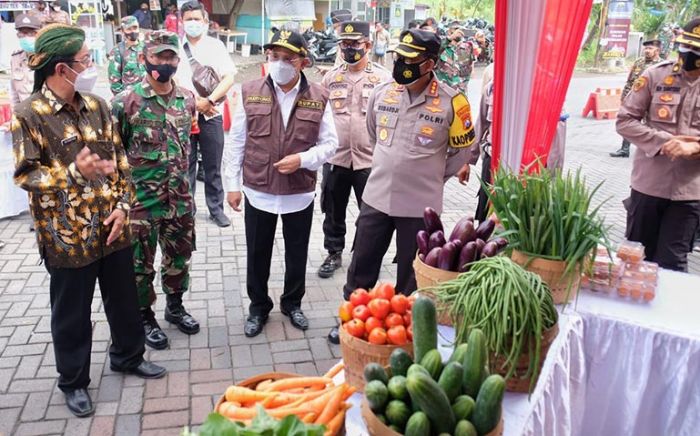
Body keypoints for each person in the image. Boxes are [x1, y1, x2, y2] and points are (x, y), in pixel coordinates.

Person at [11, 24, 165, 418]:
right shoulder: (30, 114)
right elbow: (26, 175)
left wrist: (123, 207)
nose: (91, 65)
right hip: (66, 236)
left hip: (111, 223)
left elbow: (121, 162)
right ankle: (74, 381)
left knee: (124, 299)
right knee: (72, 313)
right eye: (85, 60)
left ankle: (128, 356)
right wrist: (73, 174)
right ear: (62, 69)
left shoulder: (97, 105)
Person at [340, 29, 475, 310]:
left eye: (409, 59)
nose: (401, 63)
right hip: (377, 196)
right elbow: (373, 134)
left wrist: (431, 173)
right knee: (362, 262)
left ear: (430, 64)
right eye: (399, 57)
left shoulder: (453, 102)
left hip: (419, 204)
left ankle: (405, 324)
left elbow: (460, 152)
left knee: (412, 272)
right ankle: (353, 313)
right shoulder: (382, 93)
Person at [223, 30, 338, 337]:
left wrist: (303, 159)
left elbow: (331, 145)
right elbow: (236, 141)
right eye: (274, 56)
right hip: (258, 189)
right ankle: (258, 307)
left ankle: (292, 303)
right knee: (257, 252)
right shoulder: (249, 90)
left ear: (303, 62)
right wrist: (232, 185)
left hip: (298, 191)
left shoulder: (319, 96)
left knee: (296, 252)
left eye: (288, 58)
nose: (279, 63)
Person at [111, 30, 200, 350]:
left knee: (179, 257)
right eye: (158, 57)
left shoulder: (187, 98)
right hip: (141, 203)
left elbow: (188, 145)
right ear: (143, 58)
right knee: (139, 265)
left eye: (170, 57)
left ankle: (175, 307)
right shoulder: (125, 102)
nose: (165, 63)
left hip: (180, 199)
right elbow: (114, 154)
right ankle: (144, 316)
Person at [616, 18, 700, 272]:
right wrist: (665, 142)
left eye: (695, 51)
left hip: (689, 194)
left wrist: (695, 147)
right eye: (685, 47)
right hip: (648, 186)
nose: (687, 55)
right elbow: (625, 121)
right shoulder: (655, 75)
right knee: (635, 259)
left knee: (673, 263)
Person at [318, 21, 391, 289]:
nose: (349, 49)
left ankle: (364, 255)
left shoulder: (384, 79)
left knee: (370, 213)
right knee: (333, 210)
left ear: (368, 46)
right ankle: (333, 253)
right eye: (345, 44)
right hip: (336, 158)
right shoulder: (331, 78)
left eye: (355, 44)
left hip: (369, 160)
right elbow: (320, 117)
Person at [176, 0, 236, 228]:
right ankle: (187, 211)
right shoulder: (174, 47)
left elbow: (229, 77)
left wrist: (208, 101)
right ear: (181, 22)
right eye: (188, 19)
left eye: (196, 19)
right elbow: (170, 81)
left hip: (211, 114)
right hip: (182, 115)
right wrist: (194, 103)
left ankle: (216, 209)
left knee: (213, 166)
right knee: (185, 166)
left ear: (205, 22)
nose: (192, 23)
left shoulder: (215, 47)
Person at [610, 39, 662, 158]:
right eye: (646, 48)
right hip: (635, 99)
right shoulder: (639, 62)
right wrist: (624, 96)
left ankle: (651, 149)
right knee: (629, 120)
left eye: (650, 49)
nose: (647, 51)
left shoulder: (661, 66)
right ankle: (624, 149)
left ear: (657, 50)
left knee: (651, 125)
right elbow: (630, 81)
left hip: (652, 101)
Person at [435, 21, 478, 95]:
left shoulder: (467, 48)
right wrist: (450, 38)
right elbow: (434, 52)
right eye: (455, 29)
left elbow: (469, 68)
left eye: (460, 29)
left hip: (460, 93)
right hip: (443, 92)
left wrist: (463, 86)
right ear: (449, 31)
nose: (458, 31)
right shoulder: (442, 46)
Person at [108, 16, 147, 95]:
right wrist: (123, 101)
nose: (133, 31)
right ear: (122, 31)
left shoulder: (146, 48)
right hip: (130, 99)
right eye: (129, 29)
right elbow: (114, 81)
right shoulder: (117, 51)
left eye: (135, 28)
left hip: (148, 98)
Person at [9, 14, 41, 106]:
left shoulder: (48, 57)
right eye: (22, 33)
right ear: (18, 35)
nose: (26, 37)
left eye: (31, 33)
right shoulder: (15, 58)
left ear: (38, 34)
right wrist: (16, 112)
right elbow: (14, 91)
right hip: (24, 112)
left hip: (46, 113)